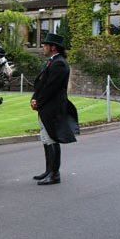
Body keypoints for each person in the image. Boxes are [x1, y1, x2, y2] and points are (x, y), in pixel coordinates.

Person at [30, 33, 79, 186]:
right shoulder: (52, 62)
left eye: (45, 45)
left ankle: (54, 174)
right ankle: (48, 170)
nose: (43, 47)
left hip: (52, 107)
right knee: (46, 138)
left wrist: (38, 101)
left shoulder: (59, 64)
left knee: (51, 139)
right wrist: (34, 98)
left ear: (53, 47)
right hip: (46, 106)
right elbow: (41, 84)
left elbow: (51, 88)